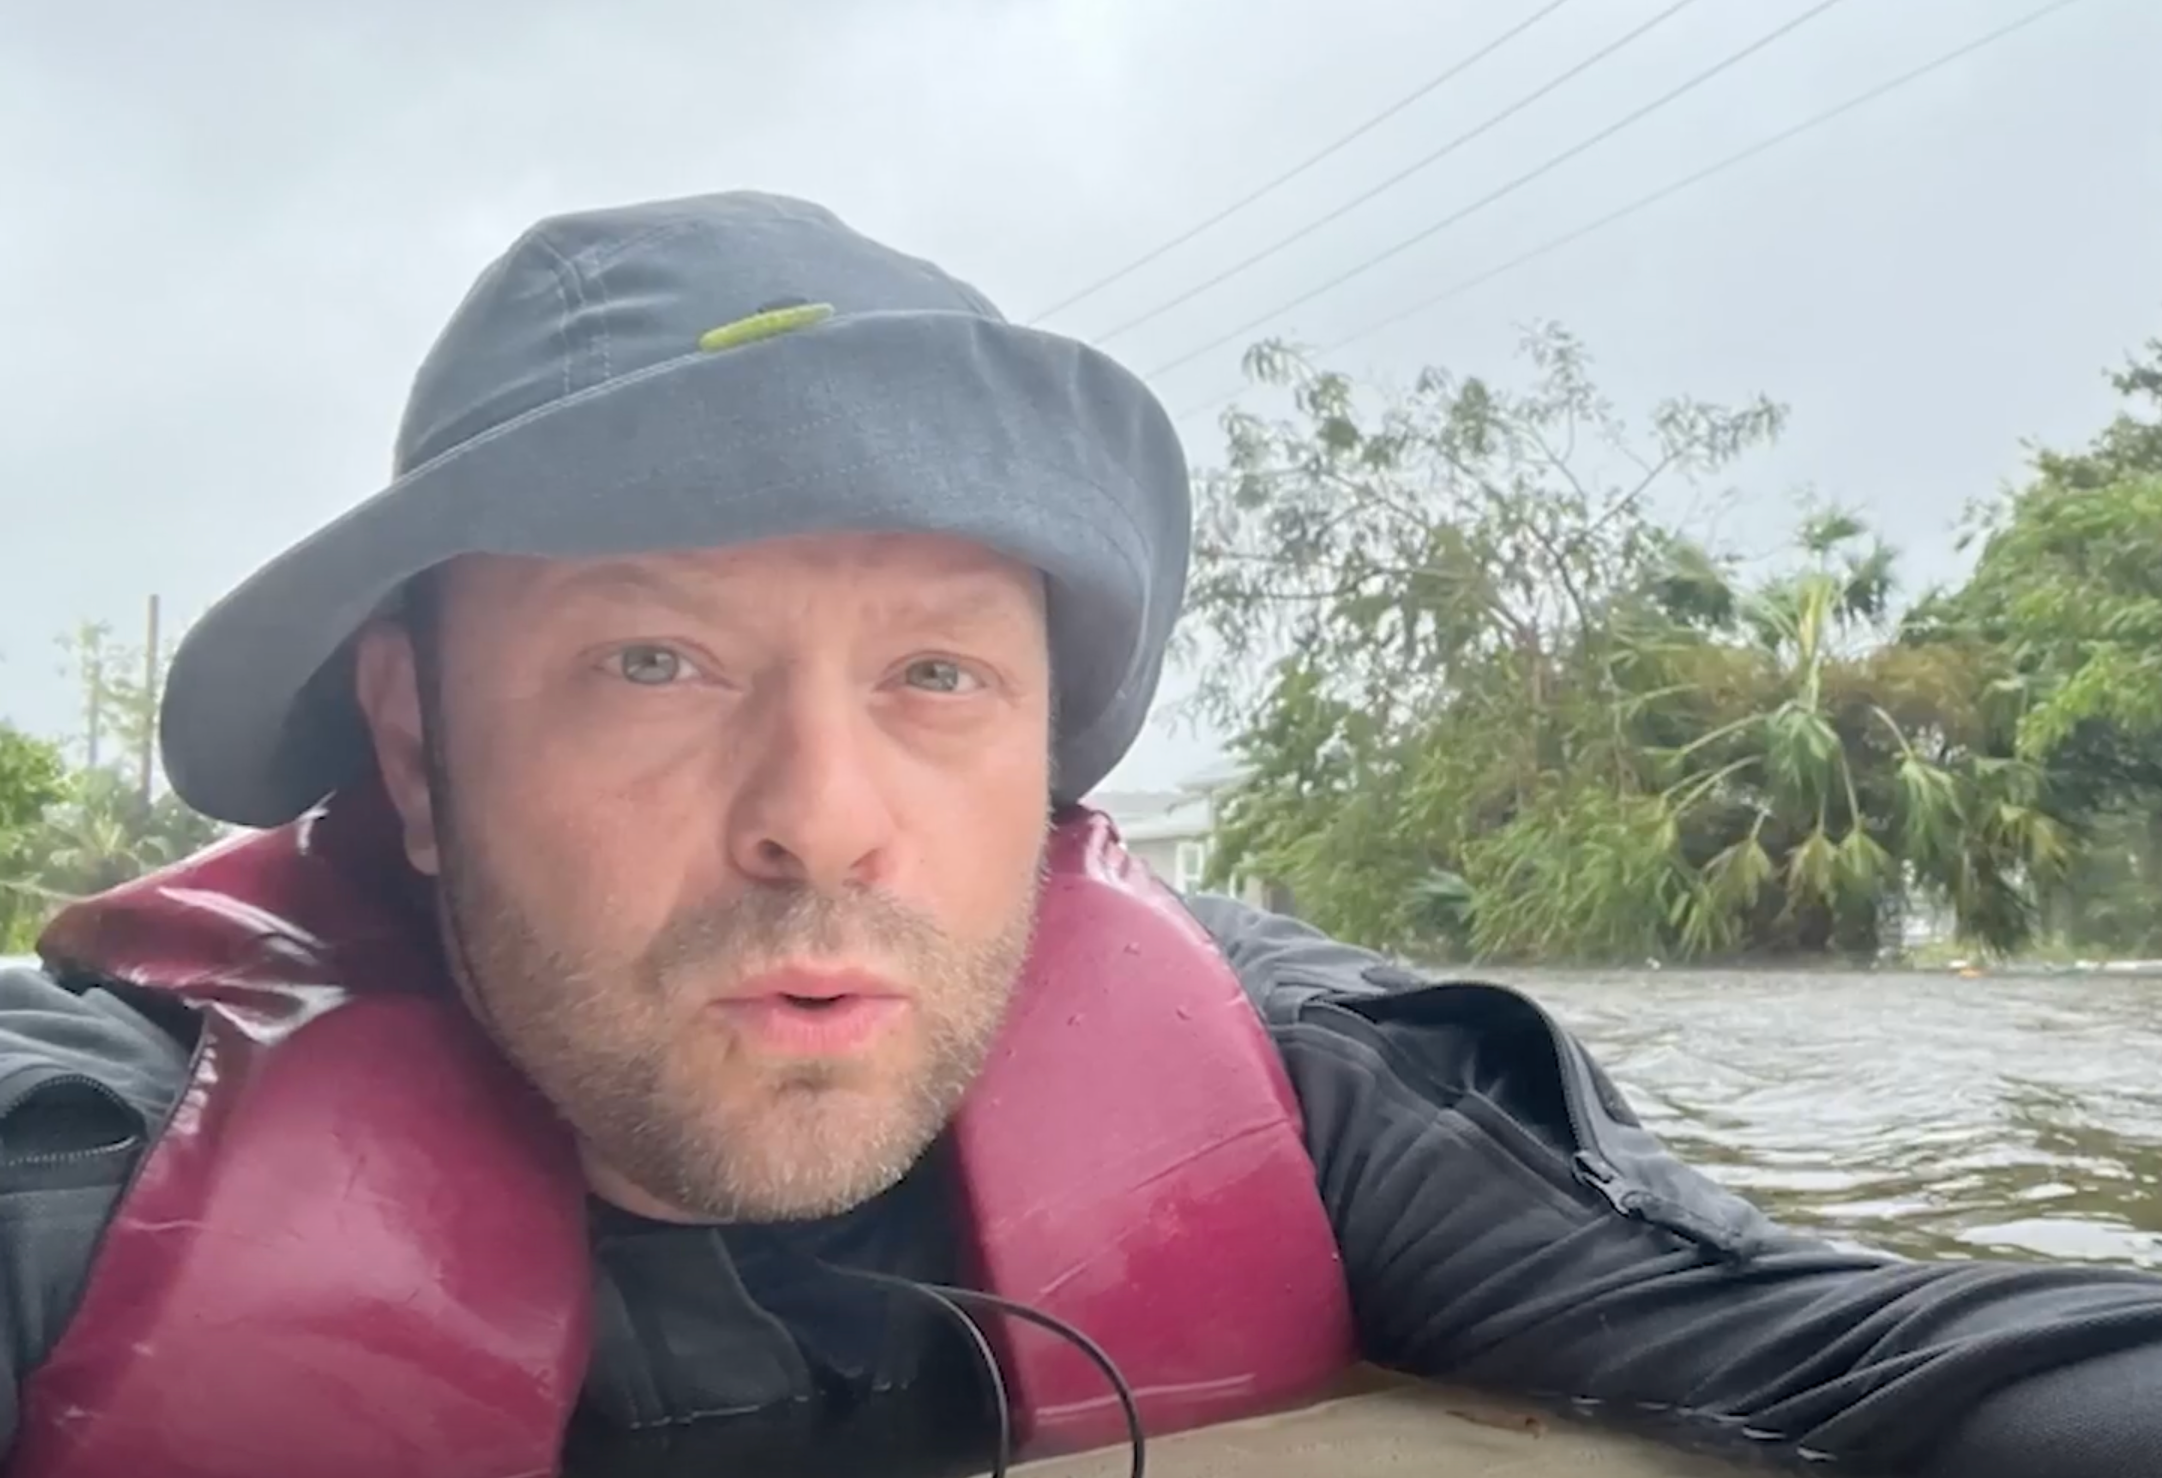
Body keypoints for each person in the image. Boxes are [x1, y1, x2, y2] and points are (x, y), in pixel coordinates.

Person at [3, 192, 2158, 1478]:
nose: (822, 823)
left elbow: (1883, 1348)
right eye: (654, 663)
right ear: (410, 743)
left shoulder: (1292, 1082)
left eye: (936, 677)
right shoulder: (83, 1171)